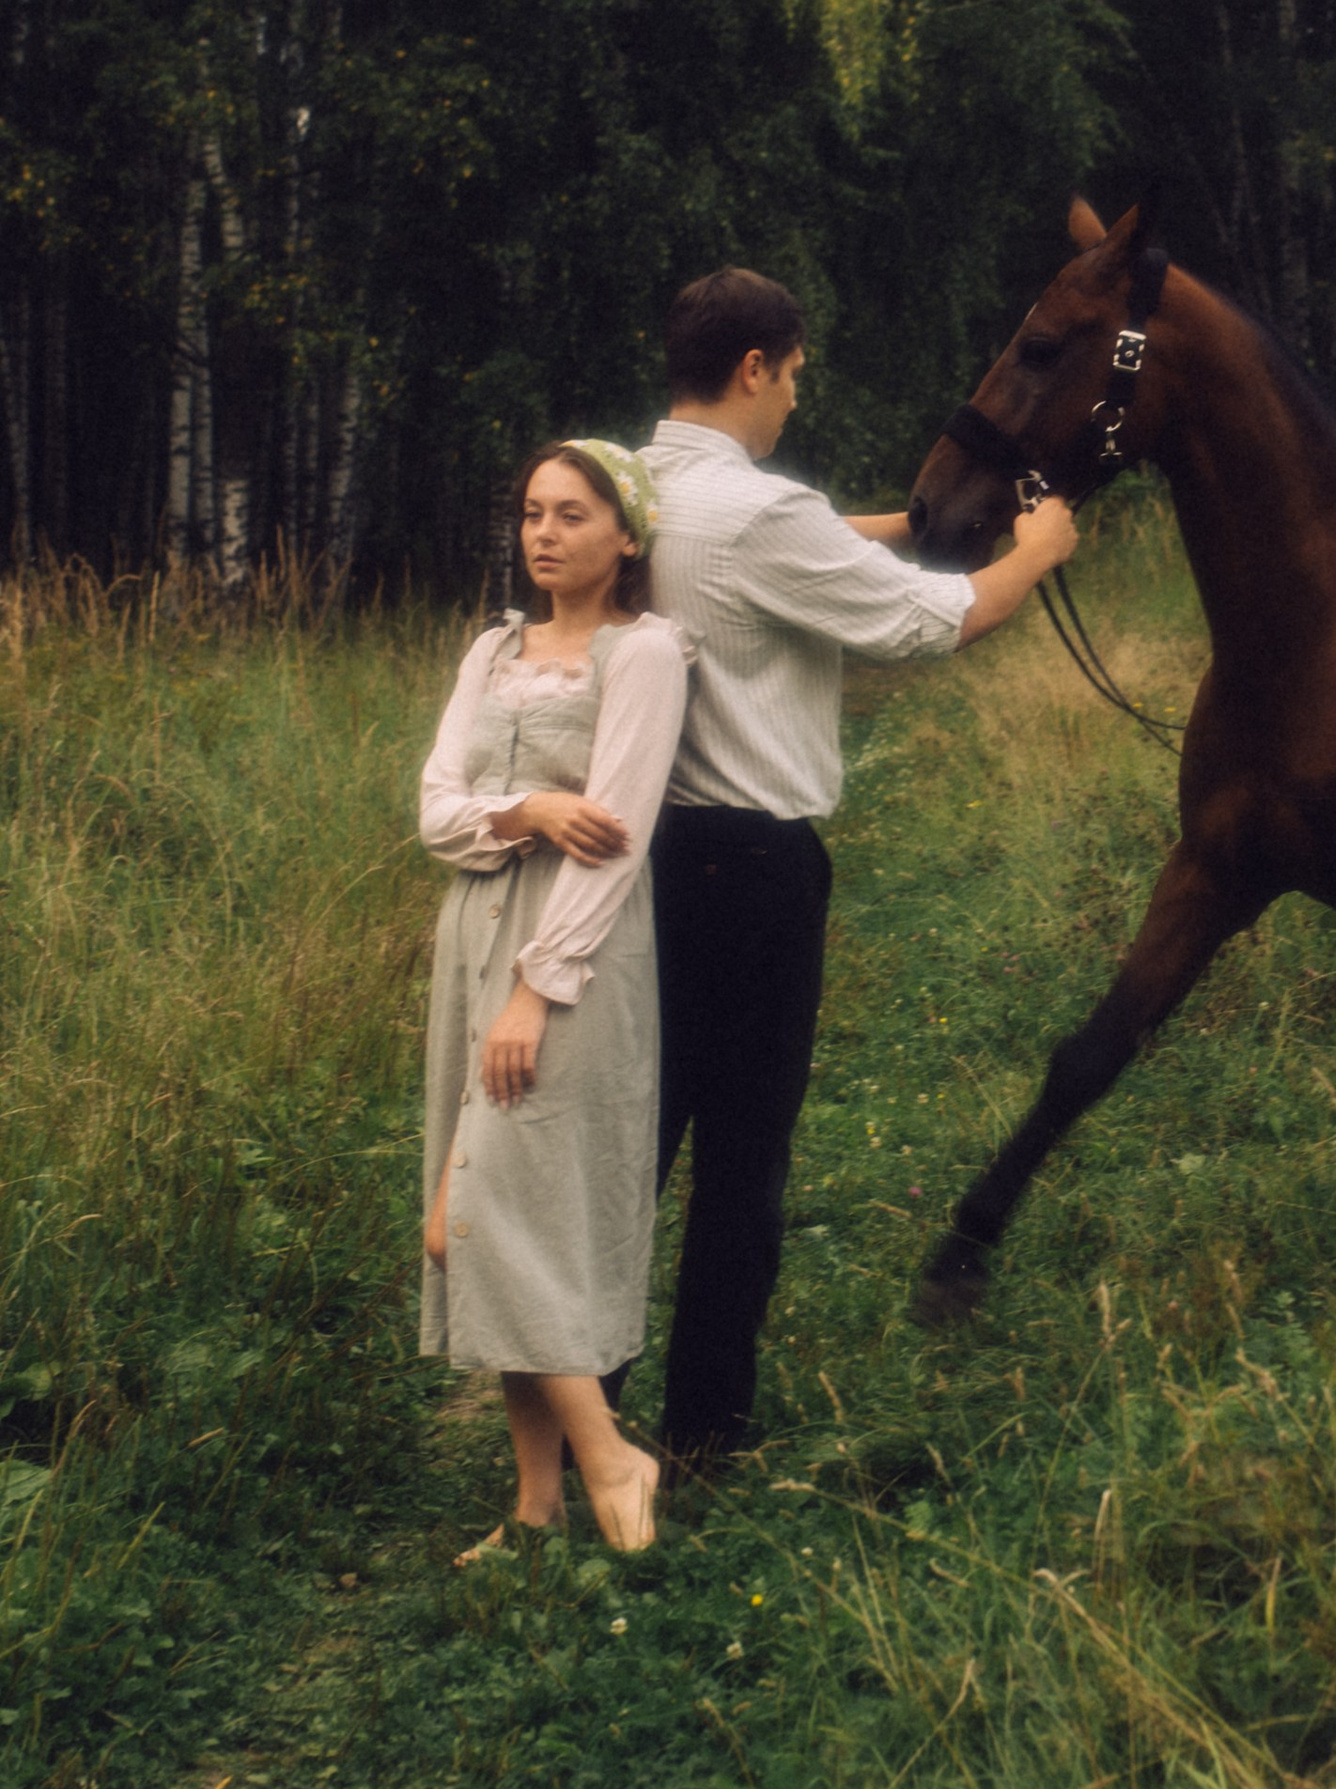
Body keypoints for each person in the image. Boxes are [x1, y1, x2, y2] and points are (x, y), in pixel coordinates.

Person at [640, 267, 1077, 1468]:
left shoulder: (638, 484)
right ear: (753, 368)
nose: (791, 399)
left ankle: (574, 1392)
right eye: (792, 376)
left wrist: (918, 519)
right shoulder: (760, 515)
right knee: (741, 1153)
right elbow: (931, 623)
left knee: (639, 1132)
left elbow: (802, 544)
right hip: (755, 863)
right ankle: (704, 1427)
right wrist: (1033, 551)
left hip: (654, 856)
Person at [418, 439, 687, 1557]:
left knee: (487, 1213)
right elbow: (437, 812)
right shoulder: (492, 650)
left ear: (626, 536)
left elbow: (615, 832)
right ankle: (535, 1509)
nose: (544, 533)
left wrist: (536, 987)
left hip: (572, 954)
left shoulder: (647, 651)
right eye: (533, 511)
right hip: (471, 934)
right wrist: (527, 805)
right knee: (481, 1210)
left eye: (573, 514)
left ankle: (611, 1450)